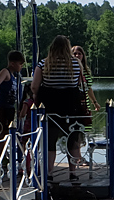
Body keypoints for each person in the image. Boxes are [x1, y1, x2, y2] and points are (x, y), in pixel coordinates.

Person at [30, 35, 85, 177]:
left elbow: (34, 87)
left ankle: (49, 171)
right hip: (71, 107)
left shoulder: (43, 64)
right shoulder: (76, 63)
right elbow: (78, 84)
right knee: (72, 138)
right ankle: (73, 171)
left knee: (50, 140)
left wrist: (36, 99)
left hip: (50, 107)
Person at [0, 50, 25, 137]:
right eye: (20, 64)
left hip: (10, 107)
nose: (21, 66)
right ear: (13, 63)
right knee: (3, 131)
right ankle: (1, 150)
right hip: (2, 107)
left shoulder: (13, 76)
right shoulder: (6, 72)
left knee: (9, 130)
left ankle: (6, 148)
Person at [71, 45, 101, 125]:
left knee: (84, 126)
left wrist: (95, 102)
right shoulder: (69, 70)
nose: (77, 55)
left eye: (79, 53)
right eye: (75, 54)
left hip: (84, 103)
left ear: (83, 56)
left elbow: (88, 88)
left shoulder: (86, 71)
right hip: (72, 103)